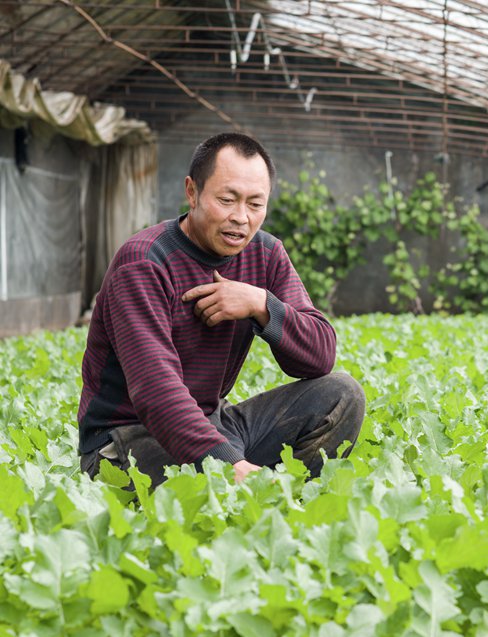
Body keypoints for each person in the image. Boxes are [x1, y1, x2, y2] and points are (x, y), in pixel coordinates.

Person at [78, 132, 365, 488]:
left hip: (213, 423)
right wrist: (229, 465)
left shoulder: (266, 254)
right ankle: (254, 487)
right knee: (212, 469)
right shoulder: (144, 262)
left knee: (342, 395)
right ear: (192, 192)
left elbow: (319, 357)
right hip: (126, 442)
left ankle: (271, 495)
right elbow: (156, 392)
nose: (241, 217)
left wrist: (261, 304)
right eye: (227, 200)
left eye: (255, 204)